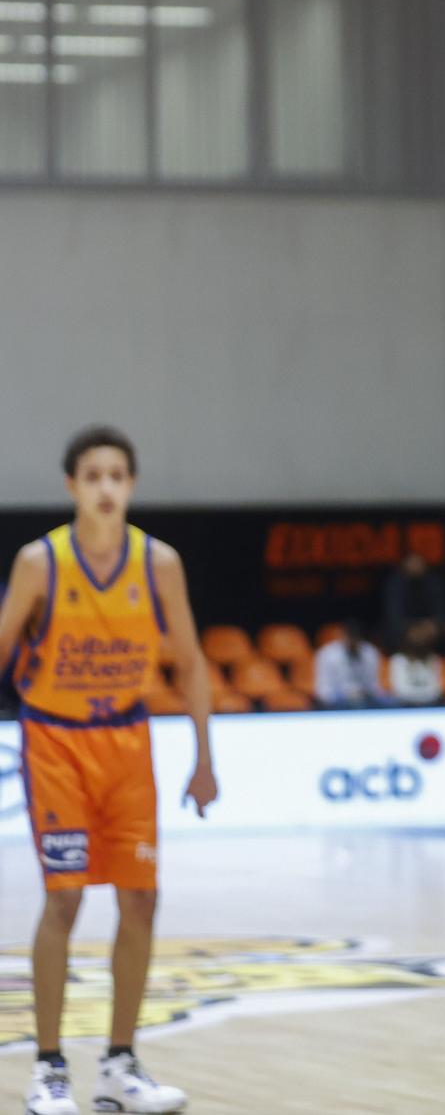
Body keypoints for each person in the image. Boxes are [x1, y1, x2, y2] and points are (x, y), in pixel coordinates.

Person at [0, 426, 219, 1115]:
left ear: (130, 484)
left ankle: (121, 1064)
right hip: (56, 741)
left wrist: (204, 754)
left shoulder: (161, 564)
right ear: (71, 486)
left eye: (116, 474)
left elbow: (188, 662)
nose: (105, 486)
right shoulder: (41, 563)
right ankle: (49, 1067)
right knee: (64, 899)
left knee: (141, 899)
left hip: (127, 741)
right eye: (92, 474)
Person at [312, 620, 383, 709]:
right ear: (343, 637)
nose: (352, 643)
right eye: (350, 638)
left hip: (365, 699)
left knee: (387, 702)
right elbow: (323, 689)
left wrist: (363, 694)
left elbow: (374, 686)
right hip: (336, 701)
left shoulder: (370, 653)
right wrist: (347, 695)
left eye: (356, 639)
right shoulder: (327, 654)